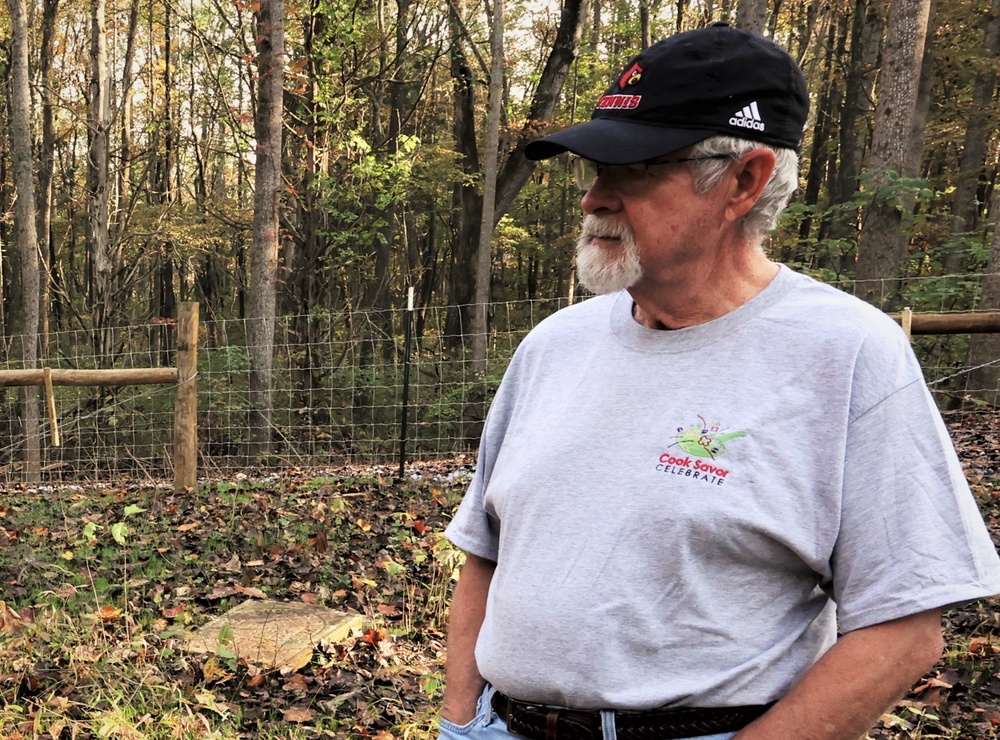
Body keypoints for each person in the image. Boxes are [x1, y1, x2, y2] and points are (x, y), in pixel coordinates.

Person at [439, 22, 1000, 740]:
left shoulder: (849, 354)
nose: (594, 199)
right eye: (594, 170)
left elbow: (905, 629)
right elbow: (483, 556)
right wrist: (461, 723)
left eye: (633, 170)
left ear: (744, 180)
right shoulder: (555, 345)